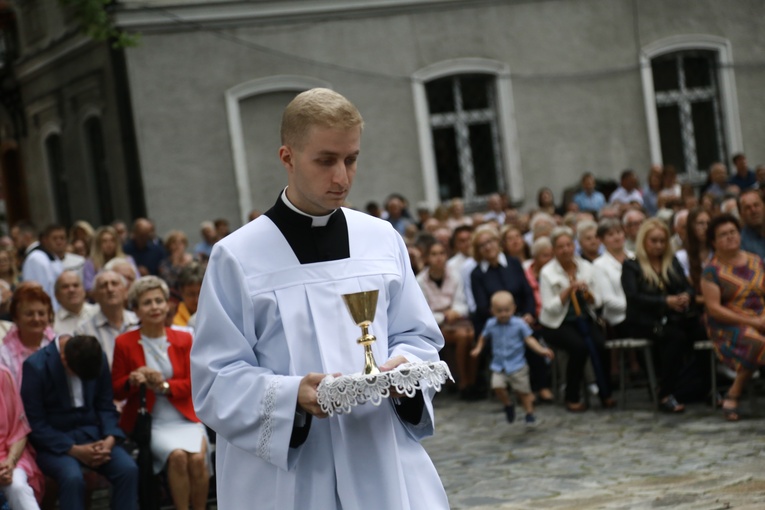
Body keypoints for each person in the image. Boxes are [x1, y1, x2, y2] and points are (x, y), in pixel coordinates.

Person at [190, 88, 449, 509]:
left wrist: (404, 371)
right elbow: (215, 379)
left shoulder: (381, 239)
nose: (342, 177)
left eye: (351, 159)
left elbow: (418, 337)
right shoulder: (237, 257)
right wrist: (293, 396)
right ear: (287, 157)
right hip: (293, 477)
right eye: (326, 161)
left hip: (379, 456)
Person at [112, 276, 209, 510]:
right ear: (135, 309)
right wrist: (135, 379)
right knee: (177, 457)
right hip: (151, 422)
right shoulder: (124, 342)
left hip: (186, 418)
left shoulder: (184, 338)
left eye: (159, 301)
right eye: (147, 302)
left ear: (167, 305)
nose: (154, 307)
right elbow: (116, 388)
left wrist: (163, 386)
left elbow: (194, 383)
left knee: (197, 459)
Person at [20, 335, 138, 510]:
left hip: (94, 436)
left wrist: (109, 440)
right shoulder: (35, 366)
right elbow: (36, 424)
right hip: (55, 443)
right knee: (72, 478)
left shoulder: (97, 357)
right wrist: (74, 450)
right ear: (64, 360)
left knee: (128, 469)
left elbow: (105, 405)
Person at [621, 219, 704, 413]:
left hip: (673, 317)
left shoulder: (671, 261)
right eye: (654, 241)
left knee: (701, 331)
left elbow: (687, 287)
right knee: (675, 337)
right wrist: (665, 301)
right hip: (644, 320)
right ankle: (665, 392)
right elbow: (634, 297)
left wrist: (686, 296)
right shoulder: (631, 265)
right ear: (644, 241)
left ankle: (703, 387)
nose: (659, 245)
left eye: (662, 241)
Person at [539, 226, 613, 412]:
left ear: (574, 246)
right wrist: (566, 292)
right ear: (555, 250)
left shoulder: (586, 267)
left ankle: (606, 393)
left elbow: (598, 301)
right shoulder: (548, 272)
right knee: (578, 347)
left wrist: (587, 293)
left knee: (600, 344)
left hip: (583, 318)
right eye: (560, 246)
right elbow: (549, 307)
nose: (565, 250)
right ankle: (571, 396)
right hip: (557, 323)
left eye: (568, 245)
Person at [701, 214, 765, 421]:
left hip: (761, 317)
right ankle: (735, 393)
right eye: (723, 235)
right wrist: (752, 321)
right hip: (728, 324)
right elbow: (714, 309)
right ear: (713, 242)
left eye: (733, 232)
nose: (730, 237)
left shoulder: (756, 261)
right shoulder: (711, 271)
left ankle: (733, 393)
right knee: (756, 342)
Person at [470, 291, 554, 425]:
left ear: (514, 309)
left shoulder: (519, 324)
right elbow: (483, 337)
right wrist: (478, 348)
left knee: (523, 392)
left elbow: (529, 340)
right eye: (499, 311)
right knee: (497, 386)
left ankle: (529, 412)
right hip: (499, 365)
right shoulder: (491, 324)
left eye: (506, 310)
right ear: (492, 311)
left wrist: (542, 350)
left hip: (517, 365)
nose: (503, 314)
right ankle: (508, 404)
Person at [417, 241, 477, 399]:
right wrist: (443, 316)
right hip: (434, 326)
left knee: (471, 335)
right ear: (427, 258)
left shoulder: (455, 275)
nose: (438, 258)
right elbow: (423, 312)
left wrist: (454, 312)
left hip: (456, 320)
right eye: (434, 254)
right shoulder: (420, 281)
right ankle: (464, 382)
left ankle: (470, 381)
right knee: (464, 336)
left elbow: (462, 303)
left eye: (442, 253)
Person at [0, 365, 43, 509]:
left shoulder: (3, 375)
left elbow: (19, 430)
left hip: (7, 458)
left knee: (18, 487)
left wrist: (10, 462)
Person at [75, 271, 139, 368]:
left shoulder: (140, 322)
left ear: (126, 292)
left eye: (115, 284)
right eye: (103, 286)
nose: (110, 289)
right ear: (95, 295)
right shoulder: (83, 330)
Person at [0, 283, 56, 386]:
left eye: (41, 313)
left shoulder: (56, 346)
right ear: (16, 318)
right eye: (29, 314)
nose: (36, 319)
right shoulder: (4, 355)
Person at [593, 218, 632, 338]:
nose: (617, 237)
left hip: (641, 314)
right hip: (618, 318)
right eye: (610, 235)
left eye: (619, 232)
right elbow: (607, 300)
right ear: (601, 240)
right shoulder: (599, 264)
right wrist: (635, 307)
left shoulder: (634, 257)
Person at [21, 225, 65, 312]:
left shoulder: (54, 257)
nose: (59, 241)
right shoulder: (36, 258)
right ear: (45, 240)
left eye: (62, 238)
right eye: (55, 238)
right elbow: (37, 290)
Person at [82, 226, 137, 295]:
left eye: (112, 240)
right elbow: (88, 289)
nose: (109, 244)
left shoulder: (127, 260)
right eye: (104, 241)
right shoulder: (90, 263)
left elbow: (137, 281)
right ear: (98, 244)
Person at [52, 271, 98, 336]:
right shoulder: (53, 323)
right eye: (65, 287)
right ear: (57, 295)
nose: (71, 290)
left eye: (76, 285)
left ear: (84, 291)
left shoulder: (98, 313)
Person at [173, 263, 204, 327]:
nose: (196, 300)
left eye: (201, 294)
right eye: (191, 294)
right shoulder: (173, 322)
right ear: (181, 292)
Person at [738, 189, 765, 259]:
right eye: (747, 208)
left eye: (756, 205)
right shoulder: (740, 242)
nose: (753, 210)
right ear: (741, 214)